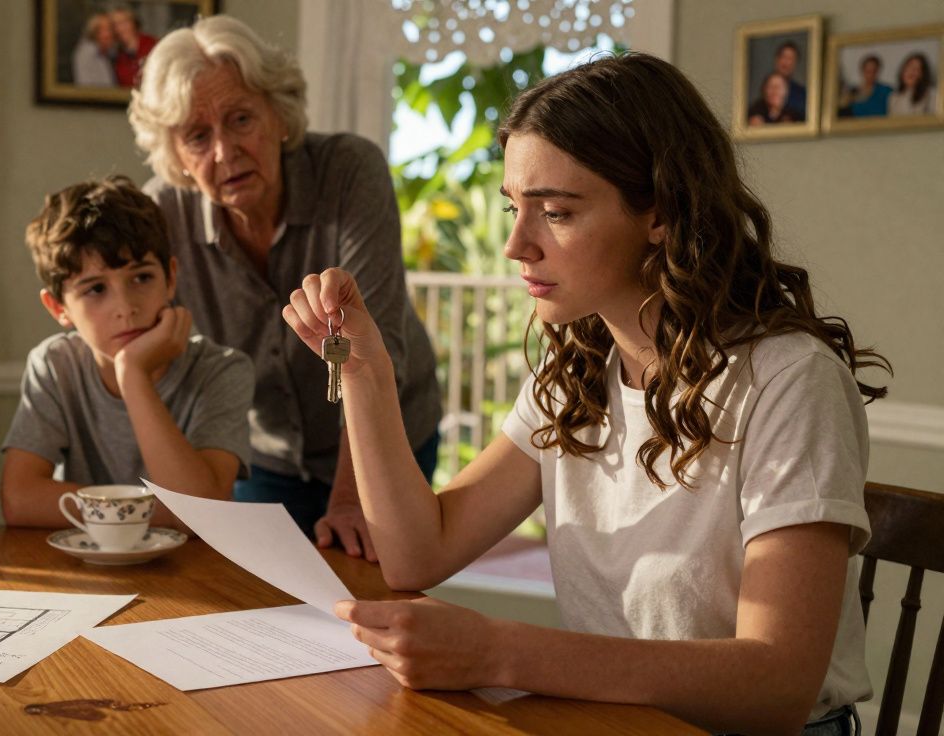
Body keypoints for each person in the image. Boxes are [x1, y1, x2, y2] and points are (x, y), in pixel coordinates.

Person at [283, 53, 888, 735]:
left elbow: (777, 684)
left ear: (659, 215)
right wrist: (366, 375)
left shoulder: (788, 381)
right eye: (515, 208)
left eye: (558, 213)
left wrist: (499, 651)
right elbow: (421, 552)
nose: (516, 245)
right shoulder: (574, 373)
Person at [128, 15, 441, 557]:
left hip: (388, 437)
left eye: (241, 119)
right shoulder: (163, 213)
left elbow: (373, 347)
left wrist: (349, 498)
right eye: (198, 137)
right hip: (269, 457)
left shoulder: (349, 171)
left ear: (278, 114)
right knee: (269, 610)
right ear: (176, 154)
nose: (224, 153)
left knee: (376, 592)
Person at [0, 176, 254, 530]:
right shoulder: (55, 366)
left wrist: (133, 375)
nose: (125, 307)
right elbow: (20, 499)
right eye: (96, 289)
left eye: (141, 278)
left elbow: (201, 515)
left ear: (171, 277)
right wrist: (167, 512)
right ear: (58, 307)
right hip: (90, 566)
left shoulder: (223, 371)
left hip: (194, 572)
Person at [109, 6, 156, 88]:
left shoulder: (151, 45)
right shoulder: (117, 56)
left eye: (124, 22)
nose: (120, 29)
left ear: (133, 23)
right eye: (115, 25)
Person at [72, 13, 116, 87]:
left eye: (111, 29)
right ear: (95, 32)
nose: (110, 33)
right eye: (105, 29)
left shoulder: (107, 53)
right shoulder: (86, 54)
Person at [771, 40, 807, 119]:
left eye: (791, 58)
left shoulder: (802, 94)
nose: (786, 62)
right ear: (777, 59)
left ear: (795, 64)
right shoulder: (766, 89)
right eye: (783, 56)